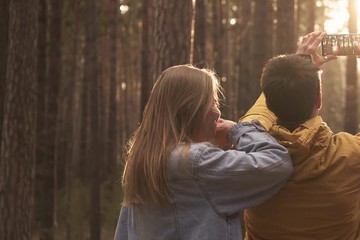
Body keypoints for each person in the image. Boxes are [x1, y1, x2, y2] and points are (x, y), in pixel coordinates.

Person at [241, 32, 360, 240]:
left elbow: (259, 114)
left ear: (269, 102)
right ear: (319, 100)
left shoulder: (245, 150)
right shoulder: (352, 156)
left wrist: (296, 69)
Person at [114, 65, 293, 240]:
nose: (218, 112)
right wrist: (236, 130)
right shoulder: (196, 162)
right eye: (213, 102)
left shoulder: (144, 161)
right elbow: (277, 162)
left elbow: (123, 233)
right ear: (192, 108)